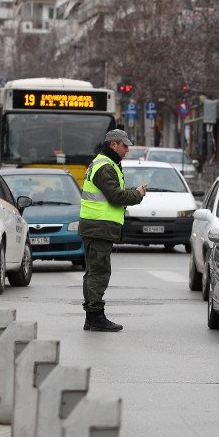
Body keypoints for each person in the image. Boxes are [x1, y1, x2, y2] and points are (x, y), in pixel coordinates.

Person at [79, 129, 147, 332]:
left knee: (93, 272)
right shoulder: (105, 167)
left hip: (96, 226)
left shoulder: (104, 164)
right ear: (113, 145)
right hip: (99, 226)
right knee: (99, 273)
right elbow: (115, 196)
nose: (127, 149)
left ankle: (91, 318)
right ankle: (96, 316)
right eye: (124, 145)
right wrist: (137, 194)